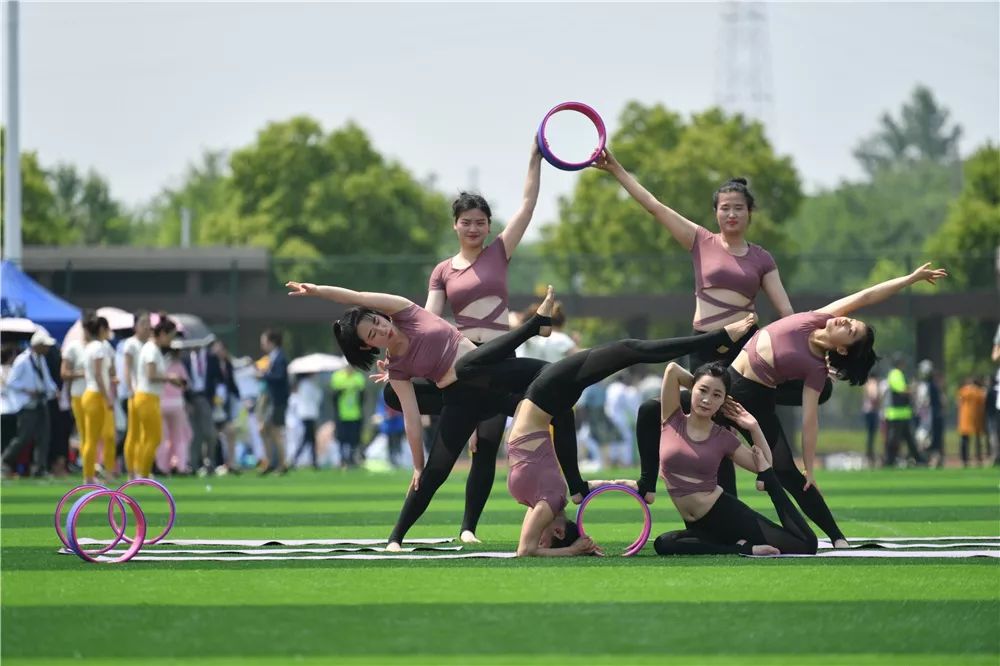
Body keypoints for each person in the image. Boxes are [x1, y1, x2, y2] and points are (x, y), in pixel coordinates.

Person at [637, 263, 947, 548]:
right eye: (852, 321)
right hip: (727, 388)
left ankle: (836, 535)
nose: (846, 320)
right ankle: (649, 484)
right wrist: (910, 279)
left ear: (841, 346)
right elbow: (866, 296)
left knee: (786, 471)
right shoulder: (818, 317)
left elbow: (810, 419)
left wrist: (810, 467)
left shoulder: (815, 368)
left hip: (755, 401)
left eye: (850, 329)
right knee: (651, 410)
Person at [430, 287, 757, 556]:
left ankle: (535, 326)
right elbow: (528, 549)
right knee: (630, 350)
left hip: (543, 399)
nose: (539, 538)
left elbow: (526, 550)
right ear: (557, 529)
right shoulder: (548, 502)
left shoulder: (545, 504)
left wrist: (572, 546)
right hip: (544, 397)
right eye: (548, 538)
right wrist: (581, 535)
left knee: (470, 372)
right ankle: (718, 336)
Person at [593, 149, 833, 497]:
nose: (732, 213)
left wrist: (815, 351)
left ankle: (779, 479)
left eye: (739, 207)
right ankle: (703, 502)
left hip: (747, 350)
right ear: (715, 212)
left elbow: (789, 316)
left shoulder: (762, 258)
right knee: (708, 424)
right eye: (725, 207)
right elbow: (654, 206)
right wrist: (616, 169)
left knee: (814, 394)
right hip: (704, 348)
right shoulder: (700, 241)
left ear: (750, 213)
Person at [286, 280, 585, 548]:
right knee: (433, 473)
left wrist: (318, 291)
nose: (381, 329)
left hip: (495, 379)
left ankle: (575, 486)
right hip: (461, 398)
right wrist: (417, 465)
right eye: (373, 334)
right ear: (368, 345)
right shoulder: (397, 367)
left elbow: (358, 293)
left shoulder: (405, 312)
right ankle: (395, 538)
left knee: (559, 408)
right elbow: (412, 418)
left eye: (376, 321)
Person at [422, 144, 543, 542]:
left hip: (501, 357)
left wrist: (535, 158)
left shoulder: (499, 253)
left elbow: (527, 204)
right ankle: (404, 525)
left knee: (487, 444)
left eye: (480, 222)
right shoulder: (443, 271)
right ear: (455, 225)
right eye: (466, 222)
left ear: (489, 226)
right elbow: (429, 319)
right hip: (462, 362)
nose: (473, 228)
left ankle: (468, 528)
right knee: (449, 446)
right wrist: (402, 357)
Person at [653, 361, 817, 556]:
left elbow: (765, 465)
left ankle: (746, 536)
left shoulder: (723, 438)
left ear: (723, 401)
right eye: (703, 391)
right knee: (663, 544)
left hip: (725, 515)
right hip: (697, 525)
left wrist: (754, 427)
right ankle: (739, 547)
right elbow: (672, 370)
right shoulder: (672, 419)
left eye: (716, 395)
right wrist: (699, 385)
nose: (707, 400)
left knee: (805, 545)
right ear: (693, 389)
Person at [2, 330, 59, 477]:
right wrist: (27, 390)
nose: (47, 349)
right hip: (27, 404)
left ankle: (40, 468)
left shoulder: (40, 359)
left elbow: (46, 379)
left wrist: (54, 391)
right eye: (45, 345)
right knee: (23, 436)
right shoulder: (22, 360)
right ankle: (5, 461)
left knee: (43, 437)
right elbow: (11, 382)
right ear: (37, 345)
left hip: (41, 401)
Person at [132, 315, 182, 478]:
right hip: (146, 397)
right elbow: (151, 375)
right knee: (153, 437)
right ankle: (142, 473)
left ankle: (140, 472)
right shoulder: (151, 350)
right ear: (162, 334)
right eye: (171, 337)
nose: (171, 341)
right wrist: (170, 378)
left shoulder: (153, 349)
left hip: (149, 396)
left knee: (149, 437)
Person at [118, 311, 151, 476]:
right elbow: (127, 368)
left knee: (145, 433)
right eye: (143, 323)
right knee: (133, 432)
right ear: (135, 326)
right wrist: (131, 388)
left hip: (146, 392)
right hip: (135, 393)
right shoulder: (131, 344)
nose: (147, 327)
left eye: (148, 323)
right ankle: (131, 470)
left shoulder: (149, 344)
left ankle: (140, 468)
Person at [258, 329, 290, 475]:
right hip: (272, 399)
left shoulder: (280, 357)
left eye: (264, 341)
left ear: (271, 342)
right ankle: (271, 462)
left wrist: (263, 375)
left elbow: (279, 377)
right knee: (265, 429)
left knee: (276, 432)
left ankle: (282, 464)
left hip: (278, 400)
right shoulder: (272, 357)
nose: (262, 345)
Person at [207, 339, 241, 473]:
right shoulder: (211, 363)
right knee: (212, 435)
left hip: (224, 404)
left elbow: (231, 383)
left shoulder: (228, 364)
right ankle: (210, 463)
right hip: (213, 404)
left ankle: (231, 463)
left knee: (230, 432)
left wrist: (238, 397)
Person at [885, 353, 924, 468]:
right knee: (894, 440)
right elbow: (901, 389)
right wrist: (913, 388)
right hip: (896, 413)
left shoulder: (898, 373)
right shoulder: (895, 374)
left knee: (909, 439)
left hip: (903, 413)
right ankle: (889, 460)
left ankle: (918, 458)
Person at [184, 341, 218, 475]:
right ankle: (193, 465)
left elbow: (217, 379)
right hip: (191, 399)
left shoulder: (211, 357)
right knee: (194, 434)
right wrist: (186, 401)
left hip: (206, 398)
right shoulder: (185, 358)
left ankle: (210, 462)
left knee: (209, 433)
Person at [157, 350, 192, 474]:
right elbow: (185, 384)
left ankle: (162, 466)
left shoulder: (159, 364)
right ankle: (181, 465)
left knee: (163, 438)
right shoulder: (179, 366)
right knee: (179, 437)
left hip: (160, 403)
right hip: (176, 403)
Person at [330, 366, 365, 469]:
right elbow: (333, 396)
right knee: (341, 438)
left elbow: (362, 396)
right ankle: (342, 458)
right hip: (342, 414)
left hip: (355, 413)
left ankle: (351, 458)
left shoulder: (359, 377)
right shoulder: (337, 377)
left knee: (354, 438)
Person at [915, 360, 945, 468]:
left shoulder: (931, 386)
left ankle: (933, 459)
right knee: (923, 438)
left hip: (931, 416)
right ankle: (926, 458)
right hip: (925, 416)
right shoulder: (924, 385)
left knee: (931, 438)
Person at [292, 373, 324, 469]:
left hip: (306, 413)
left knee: (310, 438)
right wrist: (318, 389)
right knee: (307, 438)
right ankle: (296, 458)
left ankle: (313, 460)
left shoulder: (303, 384)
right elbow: (317, 398)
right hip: (309, 413)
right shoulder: (309, 385)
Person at [957, 377, 987, 467]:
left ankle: (965, 459)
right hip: (976, 419)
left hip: (965, 418)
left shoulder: (964, 390)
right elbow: (984, 403)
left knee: (965, 440)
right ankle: (978, 458)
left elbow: (958, 401)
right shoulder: (980, 392)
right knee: (977, 440)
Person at [861, 372, 882, 467]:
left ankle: (869, 453)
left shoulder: (867, 383)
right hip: (871, 411)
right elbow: (873, 396)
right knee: (871, 434)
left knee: (871, 434)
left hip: (867, 411)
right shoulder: (872, 383)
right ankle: (870, 454)